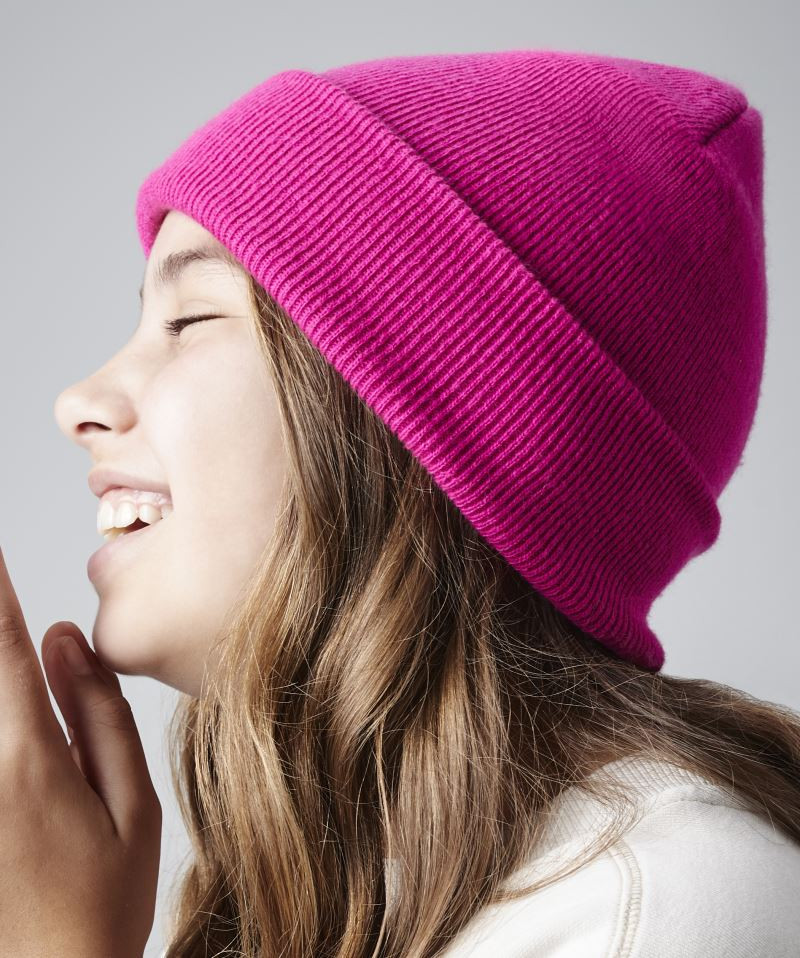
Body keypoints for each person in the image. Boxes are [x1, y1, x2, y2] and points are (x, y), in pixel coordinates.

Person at [46, 50, 799, 955]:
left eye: (191, 319)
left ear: (432, 432)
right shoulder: (340, 902)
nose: (78, 402)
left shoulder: (661, 905)